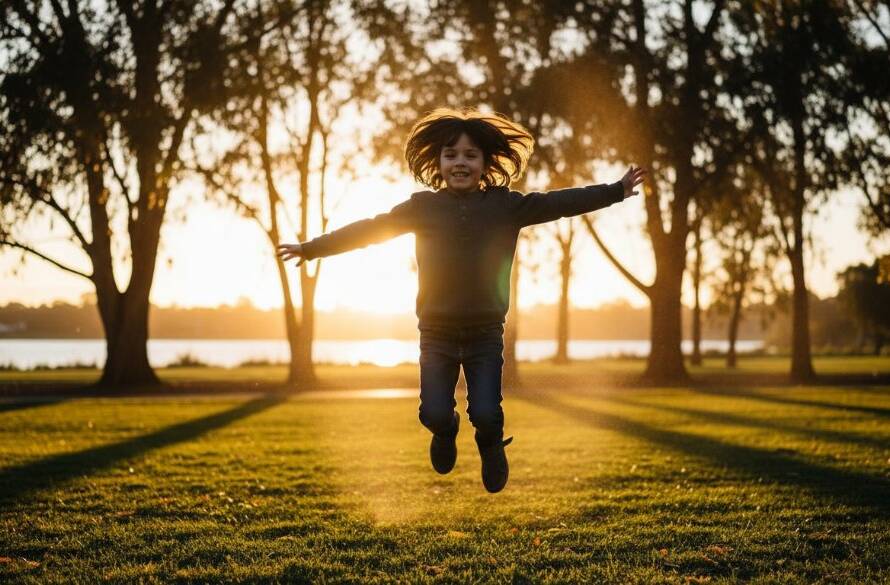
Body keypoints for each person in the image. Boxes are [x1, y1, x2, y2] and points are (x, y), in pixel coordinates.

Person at [277, 108, 644, 493]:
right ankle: (447, 430)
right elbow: (371, 229)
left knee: (486, 413)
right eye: (451, 154)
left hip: (486, 332)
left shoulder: (506, 207)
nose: (460, 163)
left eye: (470, 155)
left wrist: (615, 191)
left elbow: (559, 202)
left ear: (485, 163)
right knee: (433, 412)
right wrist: (312, 248)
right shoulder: (422, 209)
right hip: (436, 332)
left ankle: (489, 444)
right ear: (438, 161)